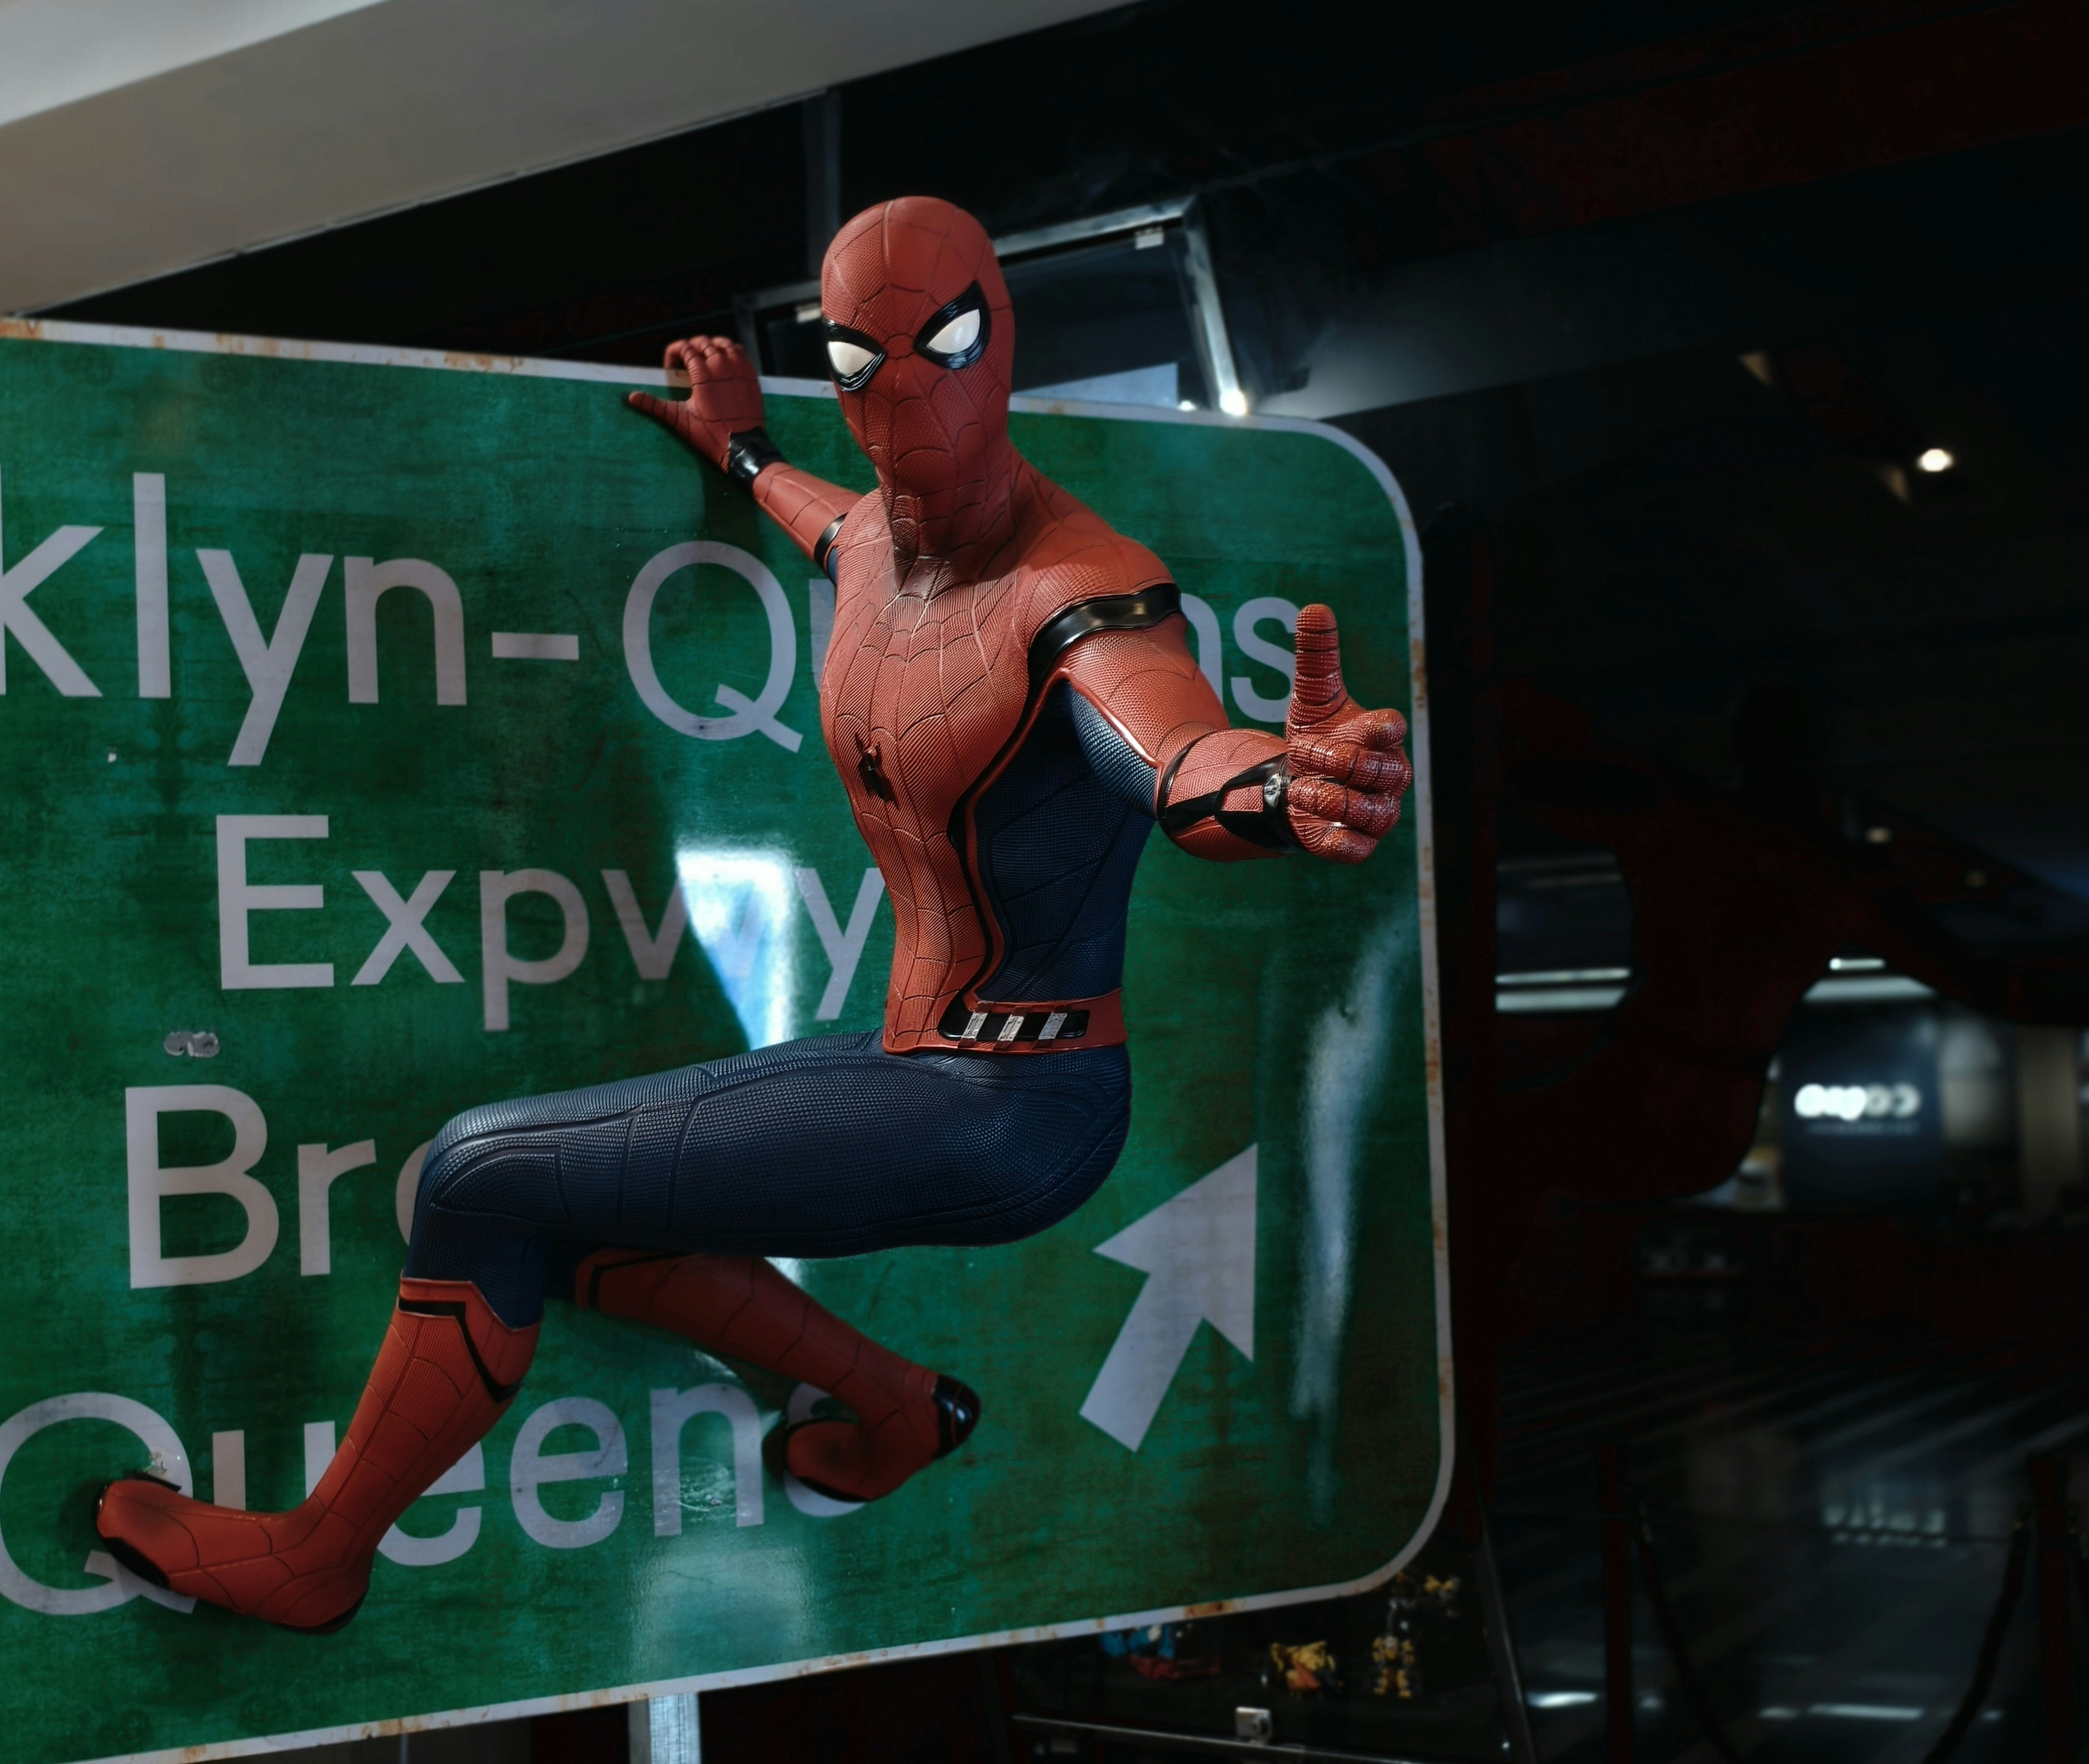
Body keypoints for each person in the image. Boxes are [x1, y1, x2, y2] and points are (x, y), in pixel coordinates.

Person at [96, 196, 1411, 1632]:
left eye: (941, 345)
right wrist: (739, 449)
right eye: (857, 357)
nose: (903, 390)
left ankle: (320, 1556)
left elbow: (1171, 753)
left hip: (1019, 1107)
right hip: (917, 1062)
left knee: (477, 1176)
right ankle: (895, 1408)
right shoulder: (877, 543)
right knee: (574, 1214)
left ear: (1001, 339)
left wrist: (1280, 787)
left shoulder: (1083, 599)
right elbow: (831, 523)